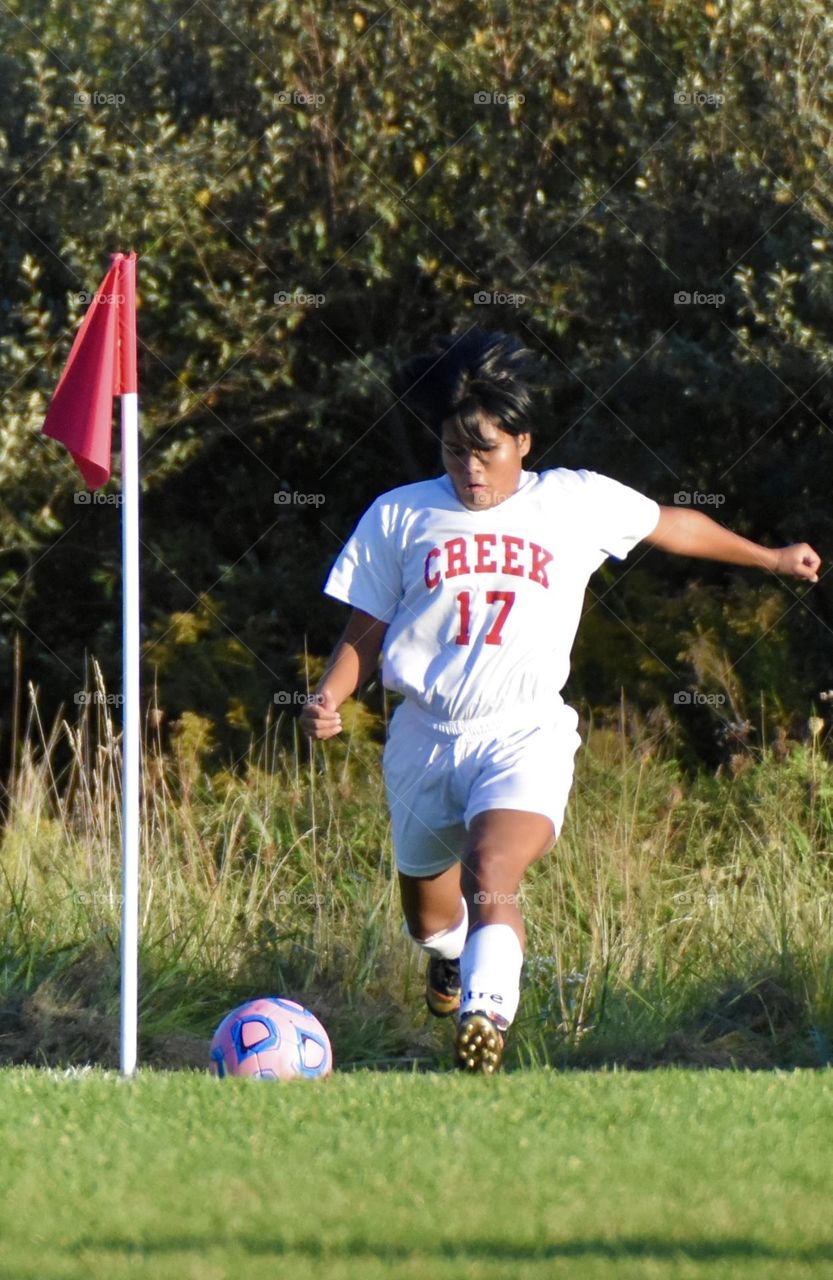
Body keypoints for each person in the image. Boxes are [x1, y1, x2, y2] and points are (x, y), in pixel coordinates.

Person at [300, 327, 821, 1073]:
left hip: (523, 733)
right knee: (429, 915)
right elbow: (365, 628)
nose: (469, 469)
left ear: (522, 442)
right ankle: (451, 960)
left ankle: (485, 1018)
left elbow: (672, 526)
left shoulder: (573, 500)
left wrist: (769, 557)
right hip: (423, 735)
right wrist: (329, 694)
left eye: (485, 451)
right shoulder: (399, 515)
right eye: (452, 450)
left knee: (491, 872)